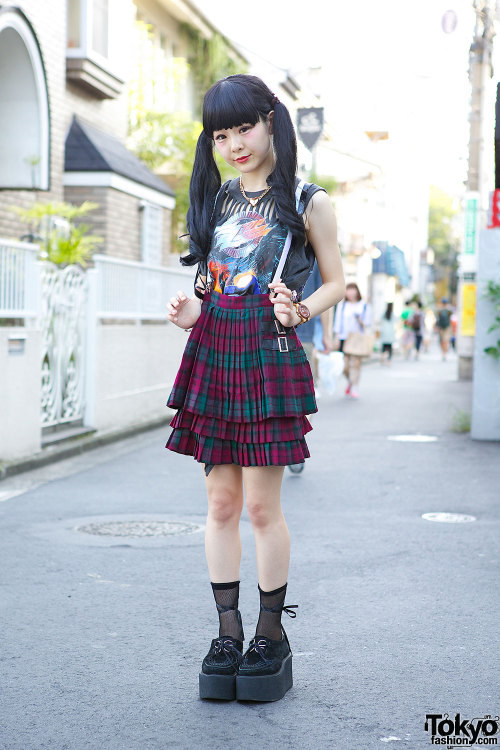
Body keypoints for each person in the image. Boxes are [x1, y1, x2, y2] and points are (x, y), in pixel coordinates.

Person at [164, 75, 345, 702]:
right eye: (222, 134)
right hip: (215, 348)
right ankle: (227, 633)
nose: (235, 144)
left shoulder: (306, 199)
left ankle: (271, 634)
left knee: (262, 508)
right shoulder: (217, 203)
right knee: (219, 506)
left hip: (269, 352)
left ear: (272, 121)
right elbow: (217, 281)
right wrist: (195, 308)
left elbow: (335, 284)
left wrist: (300, 312)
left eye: (244, 127)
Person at [288, 260, 334, 474]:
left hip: (300, 335)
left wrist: (327, 334)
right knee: (299, 393)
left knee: (302, 393)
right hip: (286, 333)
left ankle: (294, 439)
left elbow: (327, 295)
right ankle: (292, 440)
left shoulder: (313, 256)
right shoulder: (312, 256)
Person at [333, 282, 371, 399]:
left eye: (352, 289)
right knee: (344, 366)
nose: (350, 292)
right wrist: (336, 337)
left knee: (356, 364)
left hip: (357, 338)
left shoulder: (364, 306)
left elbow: (368, 323)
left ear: (357, 291)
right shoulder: (342, 306)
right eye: (348, 290)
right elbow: (338, 322)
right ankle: (350, 381)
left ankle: (355, 386)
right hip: (344, 337)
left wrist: (360, 320)